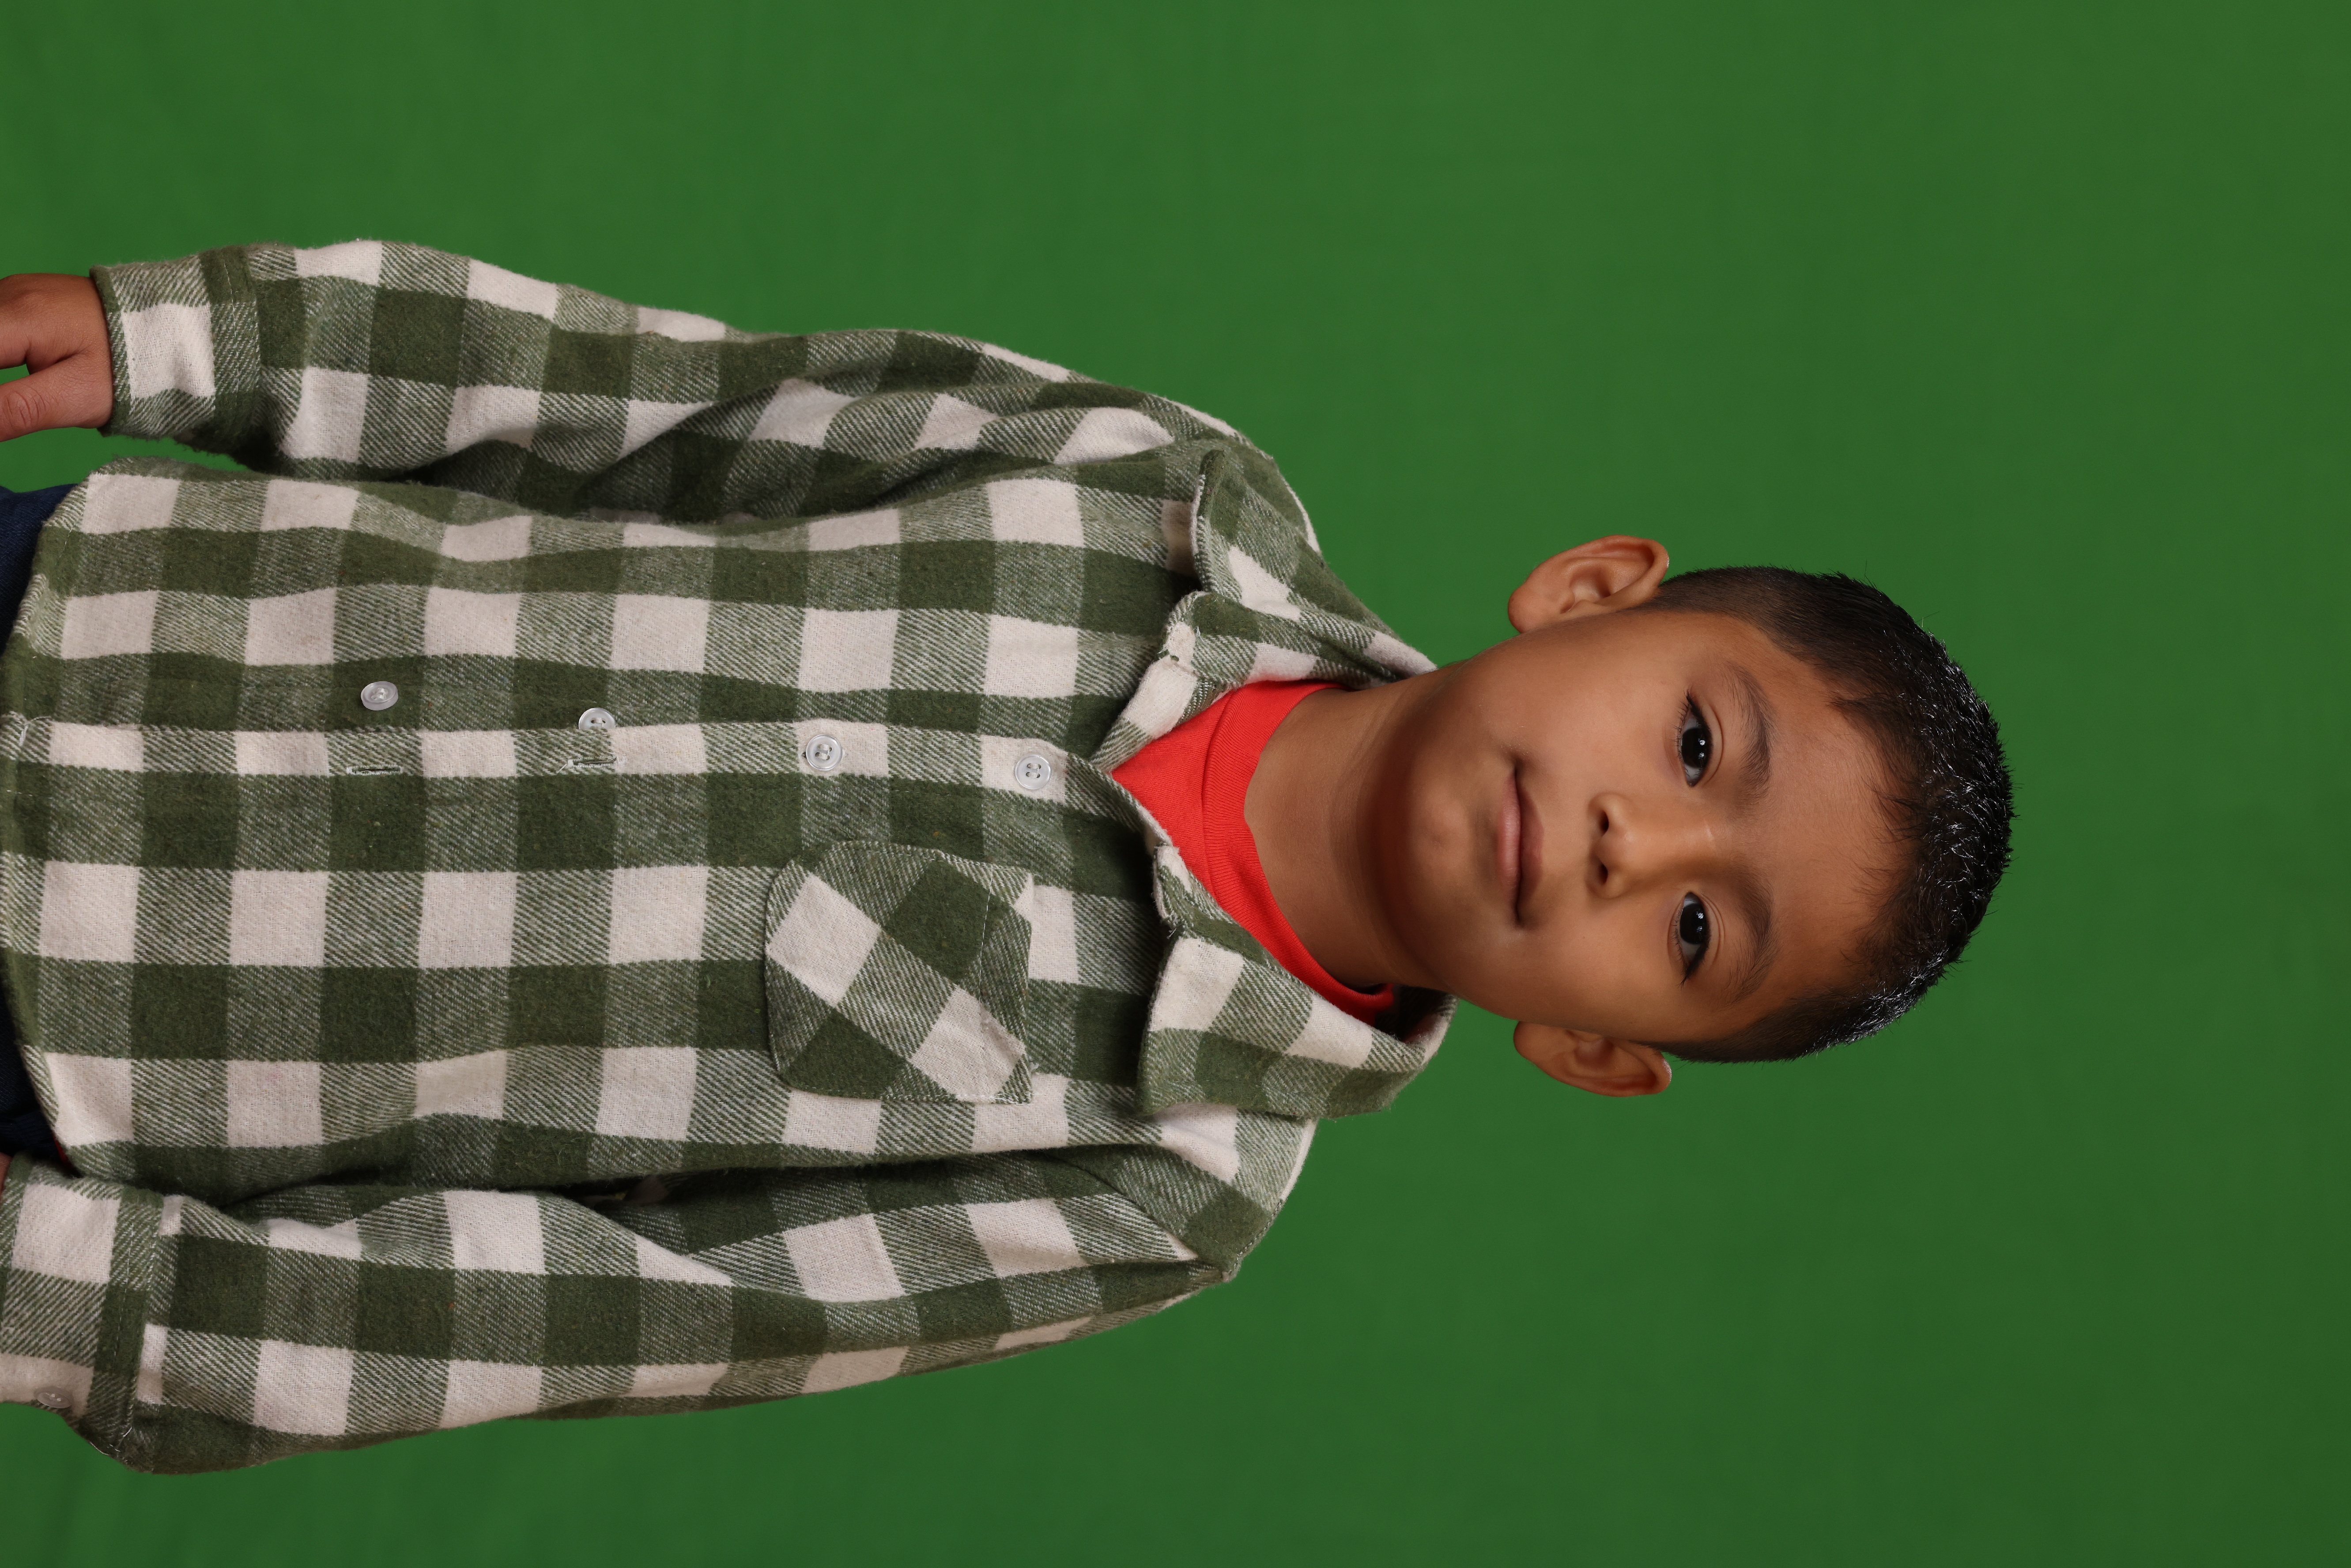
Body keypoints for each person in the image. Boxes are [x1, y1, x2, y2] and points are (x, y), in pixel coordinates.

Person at [0, 243, 2011, 1473]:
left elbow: (609, 1306)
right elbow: (657, 406)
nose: (1630, 839)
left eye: (1695, 928)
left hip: (74, 1055)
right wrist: (213, 338)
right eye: (1694, 743)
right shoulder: (1164, 491)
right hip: (103, 608)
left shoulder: (1162, 1187)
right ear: (1593, 590)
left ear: (1596, 1049)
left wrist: (79, 1305)